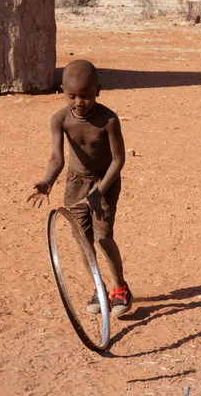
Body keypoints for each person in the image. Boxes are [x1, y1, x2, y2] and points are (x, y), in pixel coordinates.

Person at [27, 59, 133, 317]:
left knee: (103, 237)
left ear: (98, 90)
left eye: (85, 96)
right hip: (76, 184)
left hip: (104, 182)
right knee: (83, 241)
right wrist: (47, 181)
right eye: (71, 96)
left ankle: (120, 288)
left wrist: (99, 191)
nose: (78, 102)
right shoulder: (59, 119)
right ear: (62, 91)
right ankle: (99, 287)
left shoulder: (108, 120)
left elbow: (118, 159)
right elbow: (57, 158)